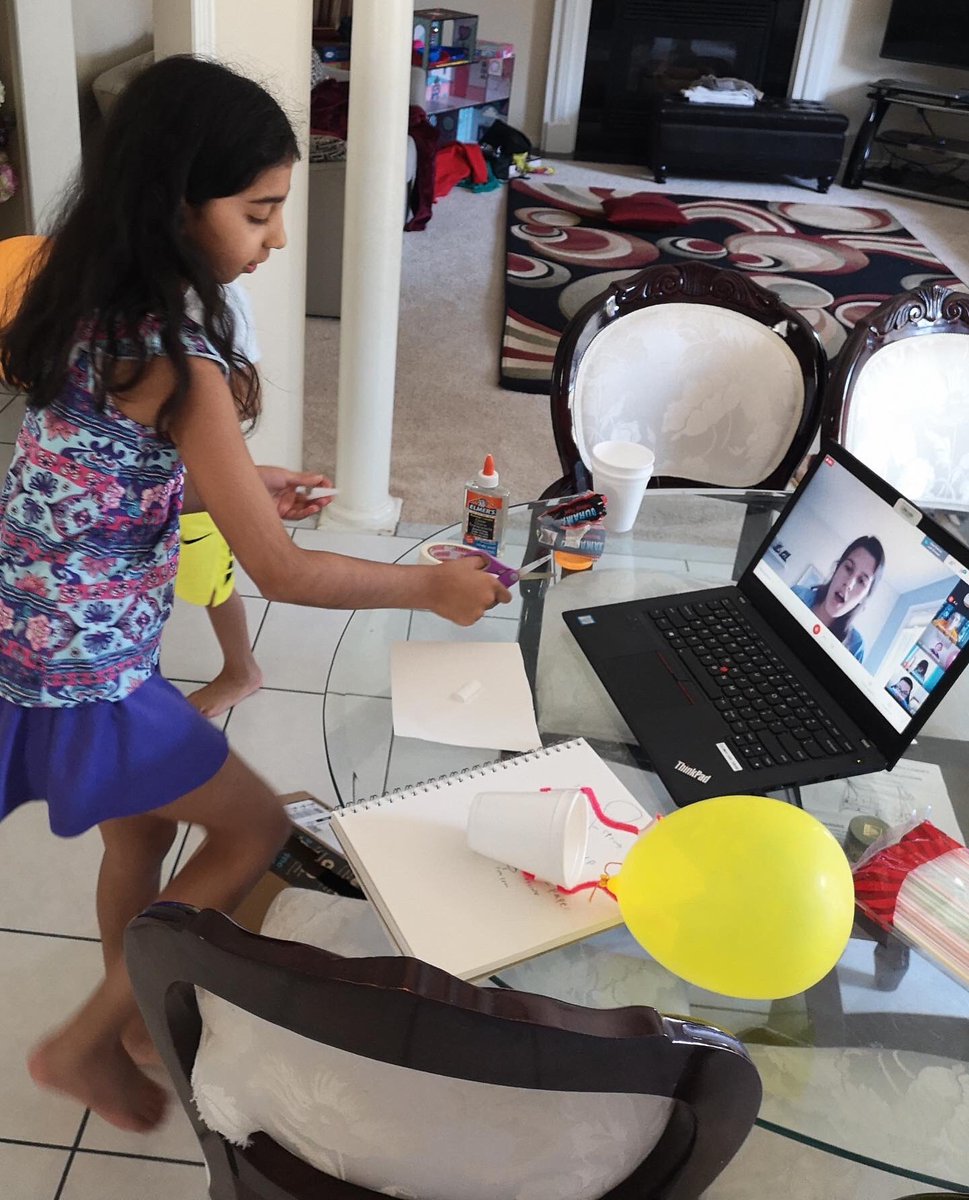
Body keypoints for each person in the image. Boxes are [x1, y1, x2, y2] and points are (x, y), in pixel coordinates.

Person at [0, 56, 509, 1135]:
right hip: (85, 666)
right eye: (261, 211)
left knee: (139, 845)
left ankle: (134, 1020)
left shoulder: (83, 296)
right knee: (252, 830)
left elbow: (106, 460)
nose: (278, 238)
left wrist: (237, 476)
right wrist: (429, 586)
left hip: (33, 633)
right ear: (180, 209)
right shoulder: (182, 363)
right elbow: (280, 570)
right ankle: (84, 1043)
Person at [792, 535, 886, 663]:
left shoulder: (855, 648)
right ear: (837, 569)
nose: (849, 584)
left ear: (864, 597)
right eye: (848, 568)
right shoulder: (796, 595)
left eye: (861, 581)